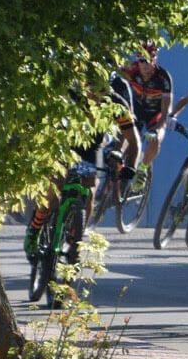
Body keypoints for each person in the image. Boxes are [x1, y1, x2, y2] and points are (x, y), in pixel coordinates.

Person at [26, 80, 140, 256]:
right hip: (61, 143)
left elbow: (134, 140)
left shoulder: (115, 103)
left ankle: (74, 243)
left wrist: (130, 167)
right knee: (55, 186)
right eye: (92, 88)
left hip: (89, 149)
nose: (95, 94)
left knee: (89, 193)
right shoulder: (69, 90)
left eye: (101, 90)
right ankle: (35, 227)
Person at [118, 43, 174, 170]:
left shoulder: (163, 77)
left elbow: (166, 111)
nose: (145, 64)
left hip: (156, 113)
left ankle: (143, 169)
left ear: (155, 59)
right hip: (137, 110)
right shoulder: (132, 69)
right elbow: (115, 72)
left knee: (156, 138)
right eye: (142, 60)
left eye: (149, 60)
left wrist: (158, 127)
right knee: (122, 140)